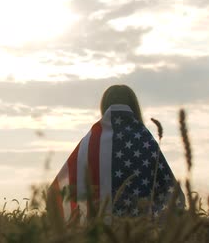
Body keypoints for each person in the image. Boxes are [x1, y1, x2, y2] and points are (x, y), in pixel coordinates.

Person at [47, 84, 184, 223]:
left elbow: (57, 192)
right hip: (142, 233)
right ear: (134, 106)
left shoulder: (91, 142)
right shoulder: (145, 140)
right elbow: (171, 193)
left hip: (99, 234)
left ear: (104, 106)